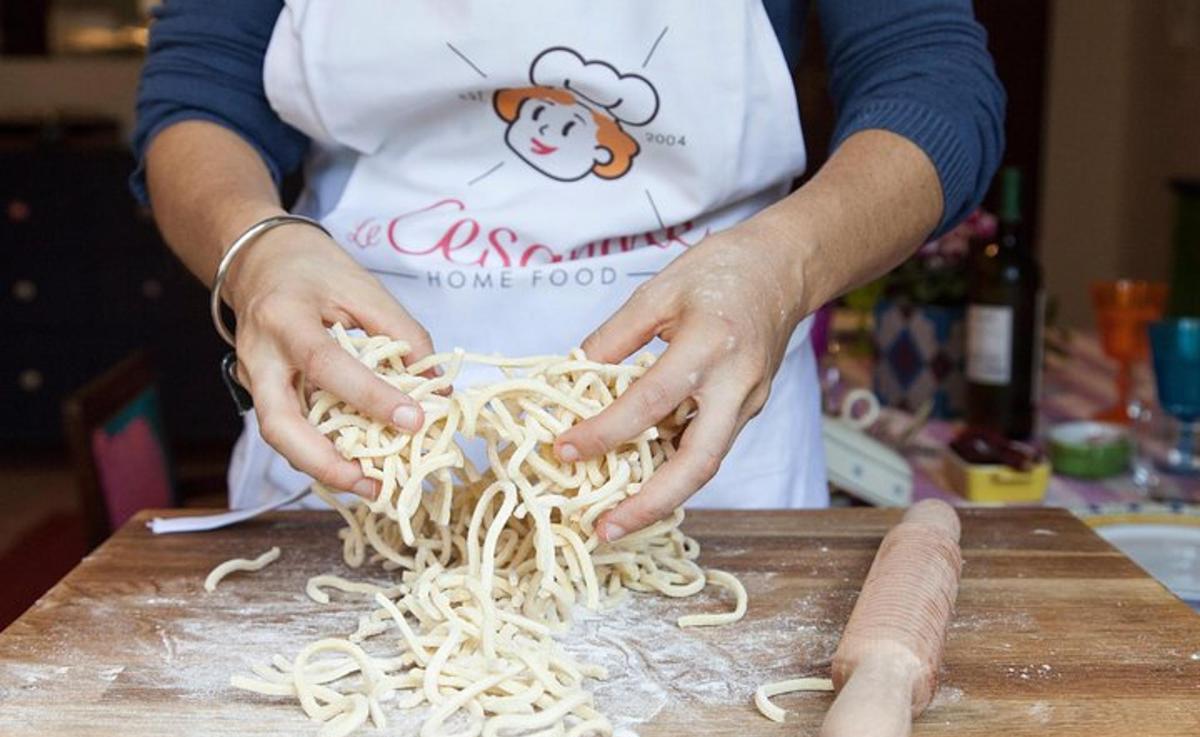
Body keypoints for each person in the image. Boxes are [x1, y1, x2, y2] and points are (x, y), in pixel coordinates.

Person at [133, 0, 1004, 541]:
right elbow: (198, 97)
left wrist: (785, 264)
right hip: (351, 439)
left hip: (701, 448)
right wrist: (256, 247)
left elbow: (933, 81)